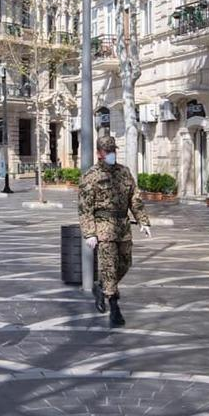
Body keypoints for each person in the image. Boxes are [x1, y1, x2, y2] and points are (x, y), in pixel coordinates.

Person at [78, 136, 151, 327]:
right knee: (109, 266)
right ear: (99, 153)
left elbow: (134, 198)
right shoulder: (90, 176)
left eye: (112, 150)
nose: (111, 154)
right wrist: (90, 233)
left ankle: (103, 287)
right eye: (107, 151)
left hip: (123, 227)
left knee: (125, 263)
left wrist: (143, 221)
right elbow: (85, 208)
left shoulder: (124, 173)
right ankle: (115, 308)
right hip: (103, 228)